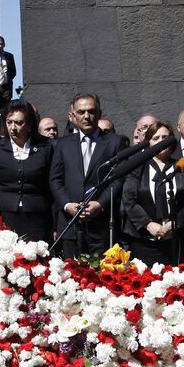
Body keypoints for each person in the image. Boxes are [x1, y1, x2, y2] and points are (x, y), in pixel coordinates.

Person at [50, 93, 121, 257]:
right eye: (81, 112)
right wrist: (68, 205)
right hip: (70, 226)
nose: (87, 116)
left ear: (99, 113)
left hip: (101, 225)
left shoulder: (115, 142)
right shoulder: (62, 144)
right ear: (73, 116)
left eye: (91, 111)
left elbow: (118, 179)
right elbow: (55, 180)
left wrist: (100, 204)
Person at [121, 120, 184, 265]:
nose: (161, 141)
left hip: (176, 240)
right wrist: (148, 224)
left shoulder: (182, 166)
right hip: (143, 241)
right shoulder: (137, 168)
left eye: (165, 138)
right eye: (156, 138)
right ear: (148, 142)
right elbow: (129, 200)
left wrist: (176, 223)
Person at [0, 100, 54, 242]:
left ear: (29, 125)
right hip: (5, 216)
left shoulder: (46, 147)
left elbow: (51, 185)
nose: (13, 128)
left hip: (37, 217)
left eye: (19, 123)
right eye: (9, 122)